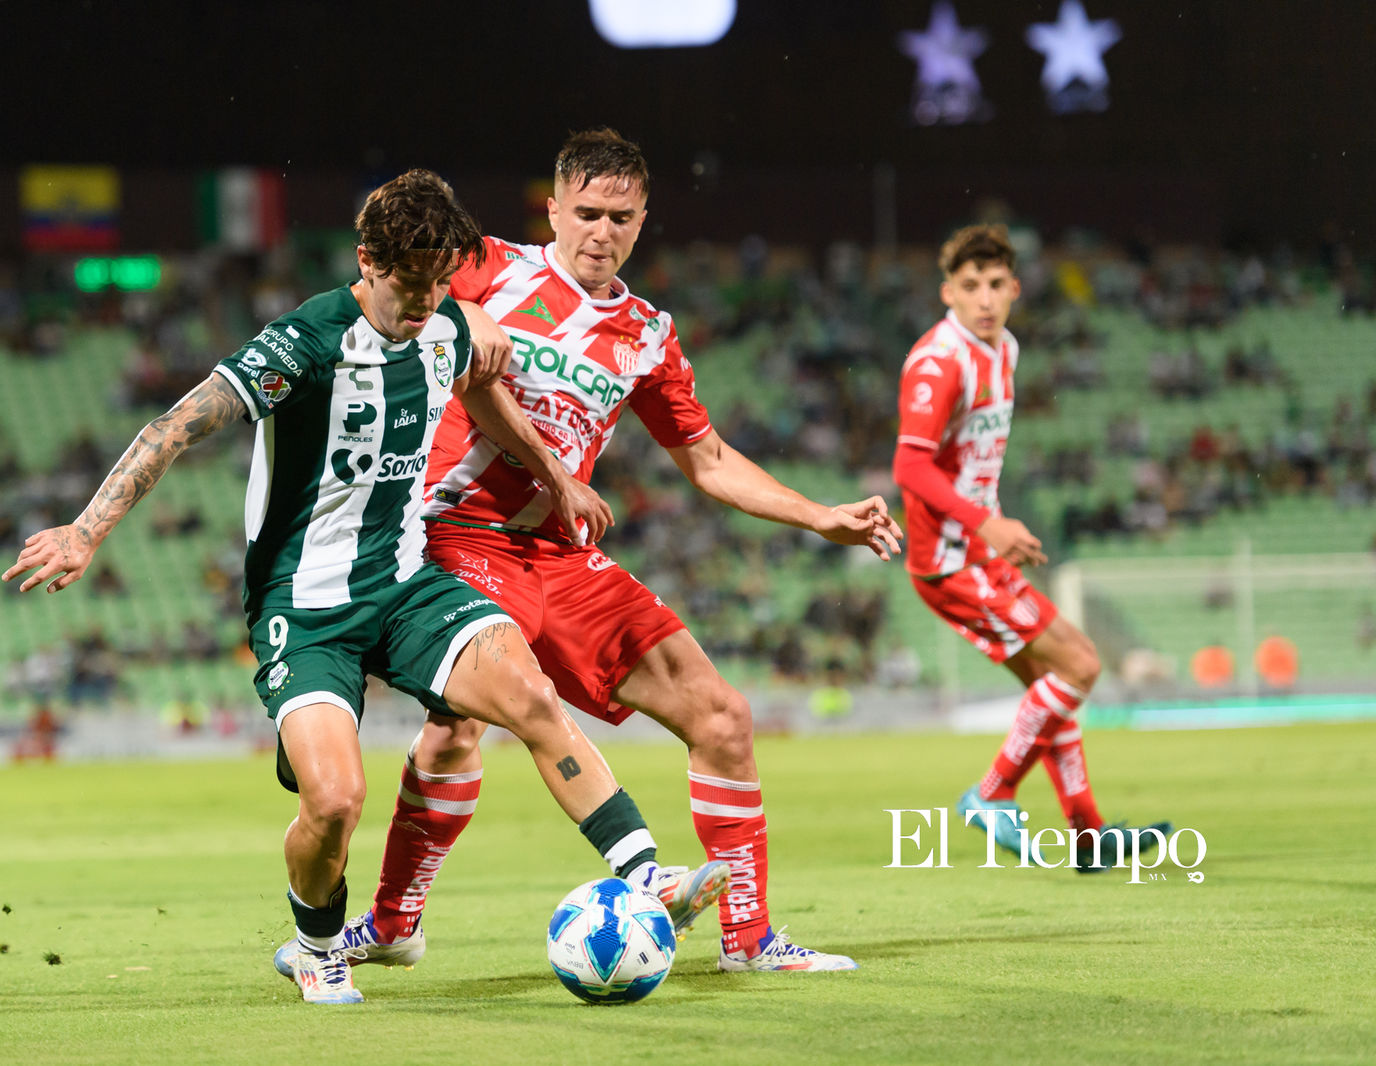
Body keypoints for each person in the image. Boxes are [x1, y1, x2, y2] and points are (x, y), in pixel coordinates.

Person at [1, 170, 726, 1005]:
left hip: (406, 582)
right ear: (367, 261)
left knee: (530, 695)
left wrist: (554, 477)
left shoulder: (448, 323)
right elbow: (176, 425)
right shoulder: (305, 342)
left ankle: (644, 875)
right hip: (305, 610)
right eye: (409, 284)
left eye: (440, 283)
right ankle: (315, 944)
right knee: (337, 800)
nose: (425, 302)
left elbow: (483, 394)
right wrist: (85, 529)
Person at [341, 130, 903, 975]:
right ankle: (395, 922)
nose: (601, 232)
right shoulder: (487, 266)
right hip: (451, 533)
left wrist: (817, 516)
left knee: (721, 715)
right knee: (460, 724)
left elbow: (707, 460)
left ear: (644, 222)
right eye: (588, 213)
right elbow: (384, 292)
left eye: (622, 218)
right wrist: (466, 309)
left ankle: (748, 939)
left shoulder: (646, 333)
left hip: (559, 554)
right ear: (554, 209)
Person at [891, 224, 1170, 873]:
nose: (984, 298)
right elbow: (910, 468)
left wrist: (992, 522)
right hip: (951, 559)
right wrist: (984, 524)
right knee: (1081, 665)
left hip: (979, 548)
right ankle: (990, 794)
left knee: (1054, 687)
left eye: (995, 285)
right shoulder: (939, 361)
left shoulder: (1005, 349)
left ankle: (1087, 834)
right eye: (970, 287)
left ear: (1014, 289)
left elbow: (971, 461)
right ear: (948, 294)